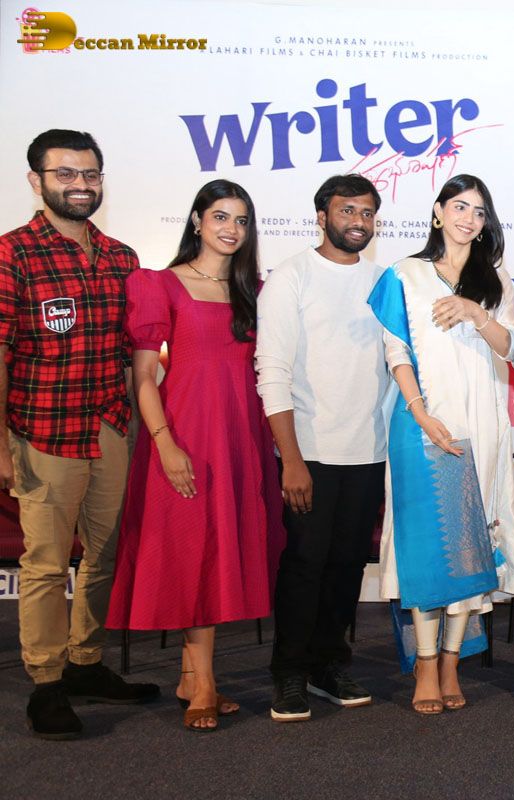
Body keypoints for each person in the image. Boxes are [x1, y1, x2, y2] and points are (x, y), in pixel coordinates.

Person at [106, 180, 286, 731]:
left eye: (241, 220)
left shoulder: (257, 291)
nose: (231, 229)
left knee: (222, 551)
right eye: (220, 217)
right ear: (196, 221)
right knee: (192, 553)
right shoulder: (160, 284)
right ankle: (203, 682)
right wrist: (164, 443)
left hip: (240, 438)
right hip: (183, 435)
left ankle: (192, 677)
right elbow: (143, 377)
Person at [0, 129, 158, 740]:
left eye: (90, 174)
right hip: (43, 431)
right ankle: (46, 684)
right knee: (45, 563)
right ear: (36, 181)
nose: (81, 185)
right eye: (65, 174)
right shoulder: (12, 254)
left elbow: (133, 353)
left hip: (111, 426)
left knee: (104, 553)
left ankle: (85, 662)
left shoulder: (121, 258)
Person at [367, 174, 514, 714]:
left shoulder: (496, 280)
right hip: (423, 427)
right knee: (427, 551)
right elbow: (396, 353)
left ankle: (452, 662)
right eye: (459, 206)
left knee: (469, 547)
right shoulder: (404, 274)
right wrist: (421, 414)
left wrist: (477, 313)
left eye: (479, 212)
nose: (468, 219)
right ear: (438, 211)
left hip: (482, 427)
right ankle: (426, 665)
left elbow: (512, 349)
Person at [256, 174, 389, 722]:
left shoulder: (383, 281)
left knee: (346, 566)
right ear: (321, 216)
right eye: (346, 210)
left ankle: (328, 665)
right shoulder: (291, 277)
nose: (358, 221)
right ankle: (289, 672)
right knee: (305, 565)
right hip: (308, 452)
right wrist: (291, 459)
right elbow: (273, 372)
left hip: (369, 452)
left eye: (367, 212)